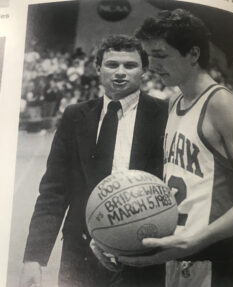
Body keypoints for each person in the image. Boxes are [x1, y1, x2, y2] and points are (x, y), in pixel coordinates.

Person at [117, 9, 233, 287]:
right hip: (182, 259)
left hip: (223, 264)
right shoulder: (175, 102)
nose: (152, 65)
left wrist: (195, 240)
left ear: (193, 54)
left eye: (161, 55)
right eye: (149, 56)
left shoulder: (221, 104)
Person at [20, 35, 167, 287]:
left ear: (144, 70)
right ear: (98, 68)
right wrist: (34, 257)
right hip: (81, 254)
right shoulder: (74, 115)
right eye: (112, 65)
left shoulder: (164, 113)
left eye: (130, 65)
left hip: (144, 253)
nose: (120, 72)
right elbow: (53, 190)